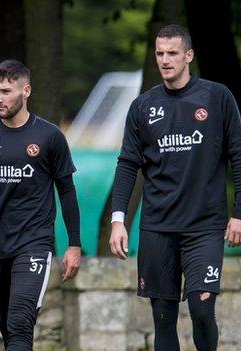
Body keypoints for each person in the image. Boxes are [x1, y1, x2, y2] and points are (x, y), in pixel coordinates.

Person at [109, 24, 241, 351]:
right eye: (159, 54)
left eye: (172, 53)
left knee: (201, 308)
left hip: (204, 226)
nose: (165, 60)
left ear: (189, 56)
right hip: (157, 226)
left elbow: (238, 154)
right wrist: (117, 219)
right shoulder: (142, 107)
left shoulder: (216, 97)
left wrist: (239, 212)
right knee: (163, 317)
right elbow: (128, 163)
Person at [0, 59, 82, 350]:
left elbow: (67, 192)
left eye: (6, 91)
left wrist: (74, 243)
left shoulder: (49, 136)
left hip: (34, 243)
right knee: (8, 327)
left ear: (26, 91)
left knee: (21, 323)